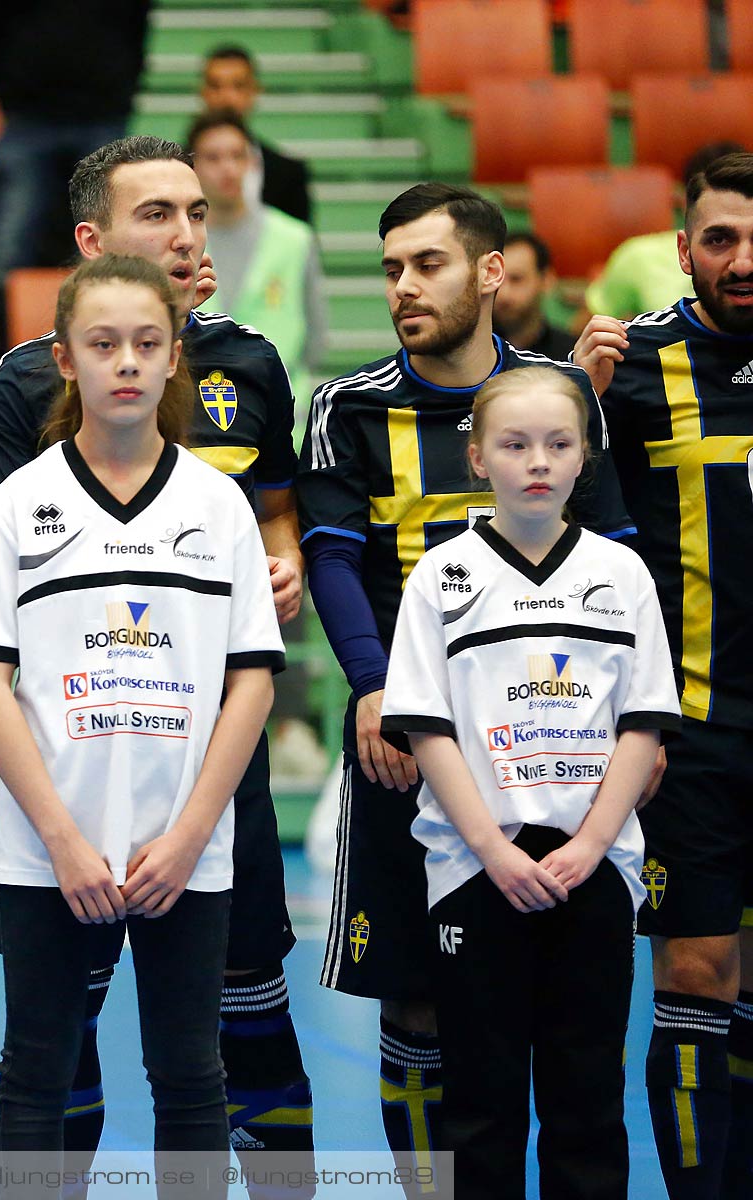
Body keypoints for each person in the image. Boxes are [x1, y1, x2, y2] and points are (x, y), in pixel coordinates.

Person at [0, 136, 314, 1195]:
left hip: (204, 776)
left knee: (223, 1033)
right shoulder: (26, 399)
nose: (187, 234)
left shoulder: (248, 372)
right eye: (158, 213)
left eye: (197, 212)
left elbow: (277, 529)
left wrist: (271, 567)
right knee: (50, 1049)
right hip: (64, 785)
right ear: (91, 240)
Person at [296, 182, 636, 1194]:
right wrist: (374, 687)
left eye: (428, 264)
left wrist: (630, 731)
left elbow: (617, 563)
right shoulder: (346, 407)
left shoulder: (559, 401)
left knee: (569, 1016)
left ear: (492, 273)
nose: (404, 286)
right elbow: (332, 561)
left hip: (558, 750)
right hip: (409, 749)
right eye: (392, 267)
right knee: (414, 1002)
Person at [381, 367, 678, 1198]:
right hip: (478, 871)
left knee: (587, 1099)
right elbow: (427, 728)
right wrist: (491, 850)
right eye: (514, 445)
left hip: (595, 869)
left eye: (558, 443)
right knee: (481, 1100)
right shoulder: (441, 578)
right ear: (478, 457)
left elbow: (643, 724)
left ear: (586, 456)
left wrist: (590, 842)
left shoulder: (623, 577)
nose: (537, 461)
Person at [574, 149, 753, 1200]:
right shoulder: (634, 365)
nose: (741, 261)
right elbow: (535, 500)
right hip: (689, 730)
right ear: (681, 250)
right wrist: (582, 396)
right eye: (720, 239)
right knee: (694, 976)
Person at [0, 0, 149, 278]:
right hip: (29, 117)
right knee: (10, 238)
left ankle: (108, 319)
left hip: (100, 115)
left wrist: (118, 94)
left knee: (104, 242)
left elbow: (136, 31)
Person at [188, 109, 325, 381]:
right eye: (213, 157)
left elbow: (316, 333)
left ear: (252, 163)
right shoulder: (180, 241)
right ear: (192, 167)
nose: (227, 168)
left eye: (237, 156)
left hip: (283, 405)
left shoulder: (295, 238)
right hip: (198, 404)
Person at [578, 141, 744, 327]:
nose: (742, 266)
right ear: (685, 202)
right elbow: (586, 328)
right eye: (719, 239)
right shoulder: (638, 256)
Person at [197, 46, 311, 226]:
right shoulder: (173, 169)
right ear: (203, 92)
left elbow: (302, 246)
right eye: (216, 85)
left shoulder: (288, 174)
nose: (227, 97)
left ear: (254, 91)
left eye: (238, 86)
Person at [492, 232, 573, 361]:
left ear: (546, 280)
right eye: (497, 279)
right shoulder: (467, 352)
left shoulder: (570, 357)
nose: (503, 293)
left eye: (516, 279)